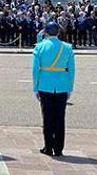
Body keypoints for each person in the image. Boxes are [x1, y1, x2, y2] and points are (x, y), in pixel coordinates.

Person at [32, 22, 75, 157]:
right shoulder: (67, 48)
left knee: (47, 117)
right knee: (60, 118)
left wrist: (35, 87)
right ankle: (59, 148)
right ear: (58, 32)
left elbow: (35, 70)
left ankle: (48, 146)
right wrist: (70, 87)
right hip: (62, 85)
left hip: (45, 84)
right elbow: (71, 70)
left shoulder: (40, 47)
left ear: (45, 32)